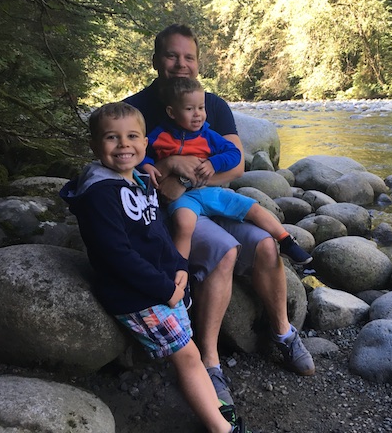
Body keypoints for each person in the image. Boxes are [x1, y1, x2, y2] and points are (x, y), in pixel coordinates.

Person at [124, 24, 315, 405]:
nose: (181, 64)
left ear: (198, 62)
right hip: (168, 213)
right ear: (156, 60)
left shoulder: (212, 104)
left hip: (211, 198)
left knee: (264, 245)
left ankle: (283, 332)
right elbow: (126, 165)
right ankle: (210, 361)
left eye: (188, 57)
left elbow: (237, 166)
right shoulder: (136, 108)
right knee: (225, 250)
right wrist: (169, 164)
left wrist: (182, 173)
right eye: (172, 56)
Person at [59, 102, 251, 433]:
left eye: (132, 136)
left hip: (159, 284)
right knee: (188, 357)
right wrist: (166, 289)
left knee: (189, 349)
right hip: (134, 294)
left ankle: (218, 409)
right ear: (94, 146)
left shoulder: (139, 178)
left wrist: (178, 266)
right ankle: (221, 428)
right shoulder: (99, 195)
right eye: (111, 138)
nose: (123, 145)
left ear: (146, 144)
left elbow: (158, 233)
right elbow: (114, 255)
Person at [141, 76, 312, 265]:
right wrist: (147, 164)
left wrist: (214, 163)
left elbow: (234, 153)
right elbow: (142, 151)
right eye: (189, 109)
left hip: (211, 190)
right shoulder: (160, 135)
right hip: (183, 197)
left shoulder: (208, 136)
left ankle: (286, 241)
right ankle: (178, 268)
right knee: (184, 224)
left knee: (253, 208)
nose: (197, 114)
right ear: (172, 112)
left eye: (201, 107)